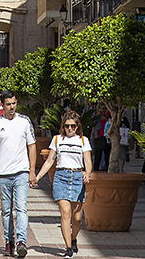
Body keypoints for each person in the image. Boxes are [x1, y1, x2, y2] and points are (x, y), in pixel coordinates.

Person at [35, 110, 93, 259]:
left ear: (77, 126)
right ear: (63, 126)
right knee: (65, 213)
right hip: (61, 177)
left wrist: (88, 173)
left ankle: (73, 239)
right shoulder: (56, 139)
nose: (70, 129)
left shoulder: (83, 140)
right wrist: (38, 176)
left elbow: (87, 161)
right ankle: (68, 247)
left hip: (78, 177)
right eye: (67, 126)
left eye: (73, 126)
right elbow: (49, 161)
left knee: (78, 218)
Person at [0, 90, 37, 258]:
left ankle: (22, 242)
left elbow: (32, 146)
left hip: (21, 172)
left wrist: (32, 171)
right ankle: (9, 242)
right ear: (3, 105)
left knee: (21, 207)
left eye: (14, 103)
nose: (11, 107)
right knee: (6, 210)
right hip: (3, 174)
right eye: (8, 104)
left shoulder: (24, 121)